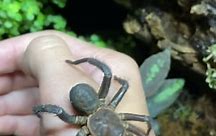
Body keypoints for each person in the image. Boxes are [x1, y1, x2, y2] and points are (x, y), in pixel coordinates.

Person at [0, 30, 154, 136]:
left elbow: (143, 116)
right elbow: (119, 83)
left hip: (94, 103)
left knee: (108, 75)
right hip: (92, 102)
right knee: (107, 75)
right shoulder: (96, 125)